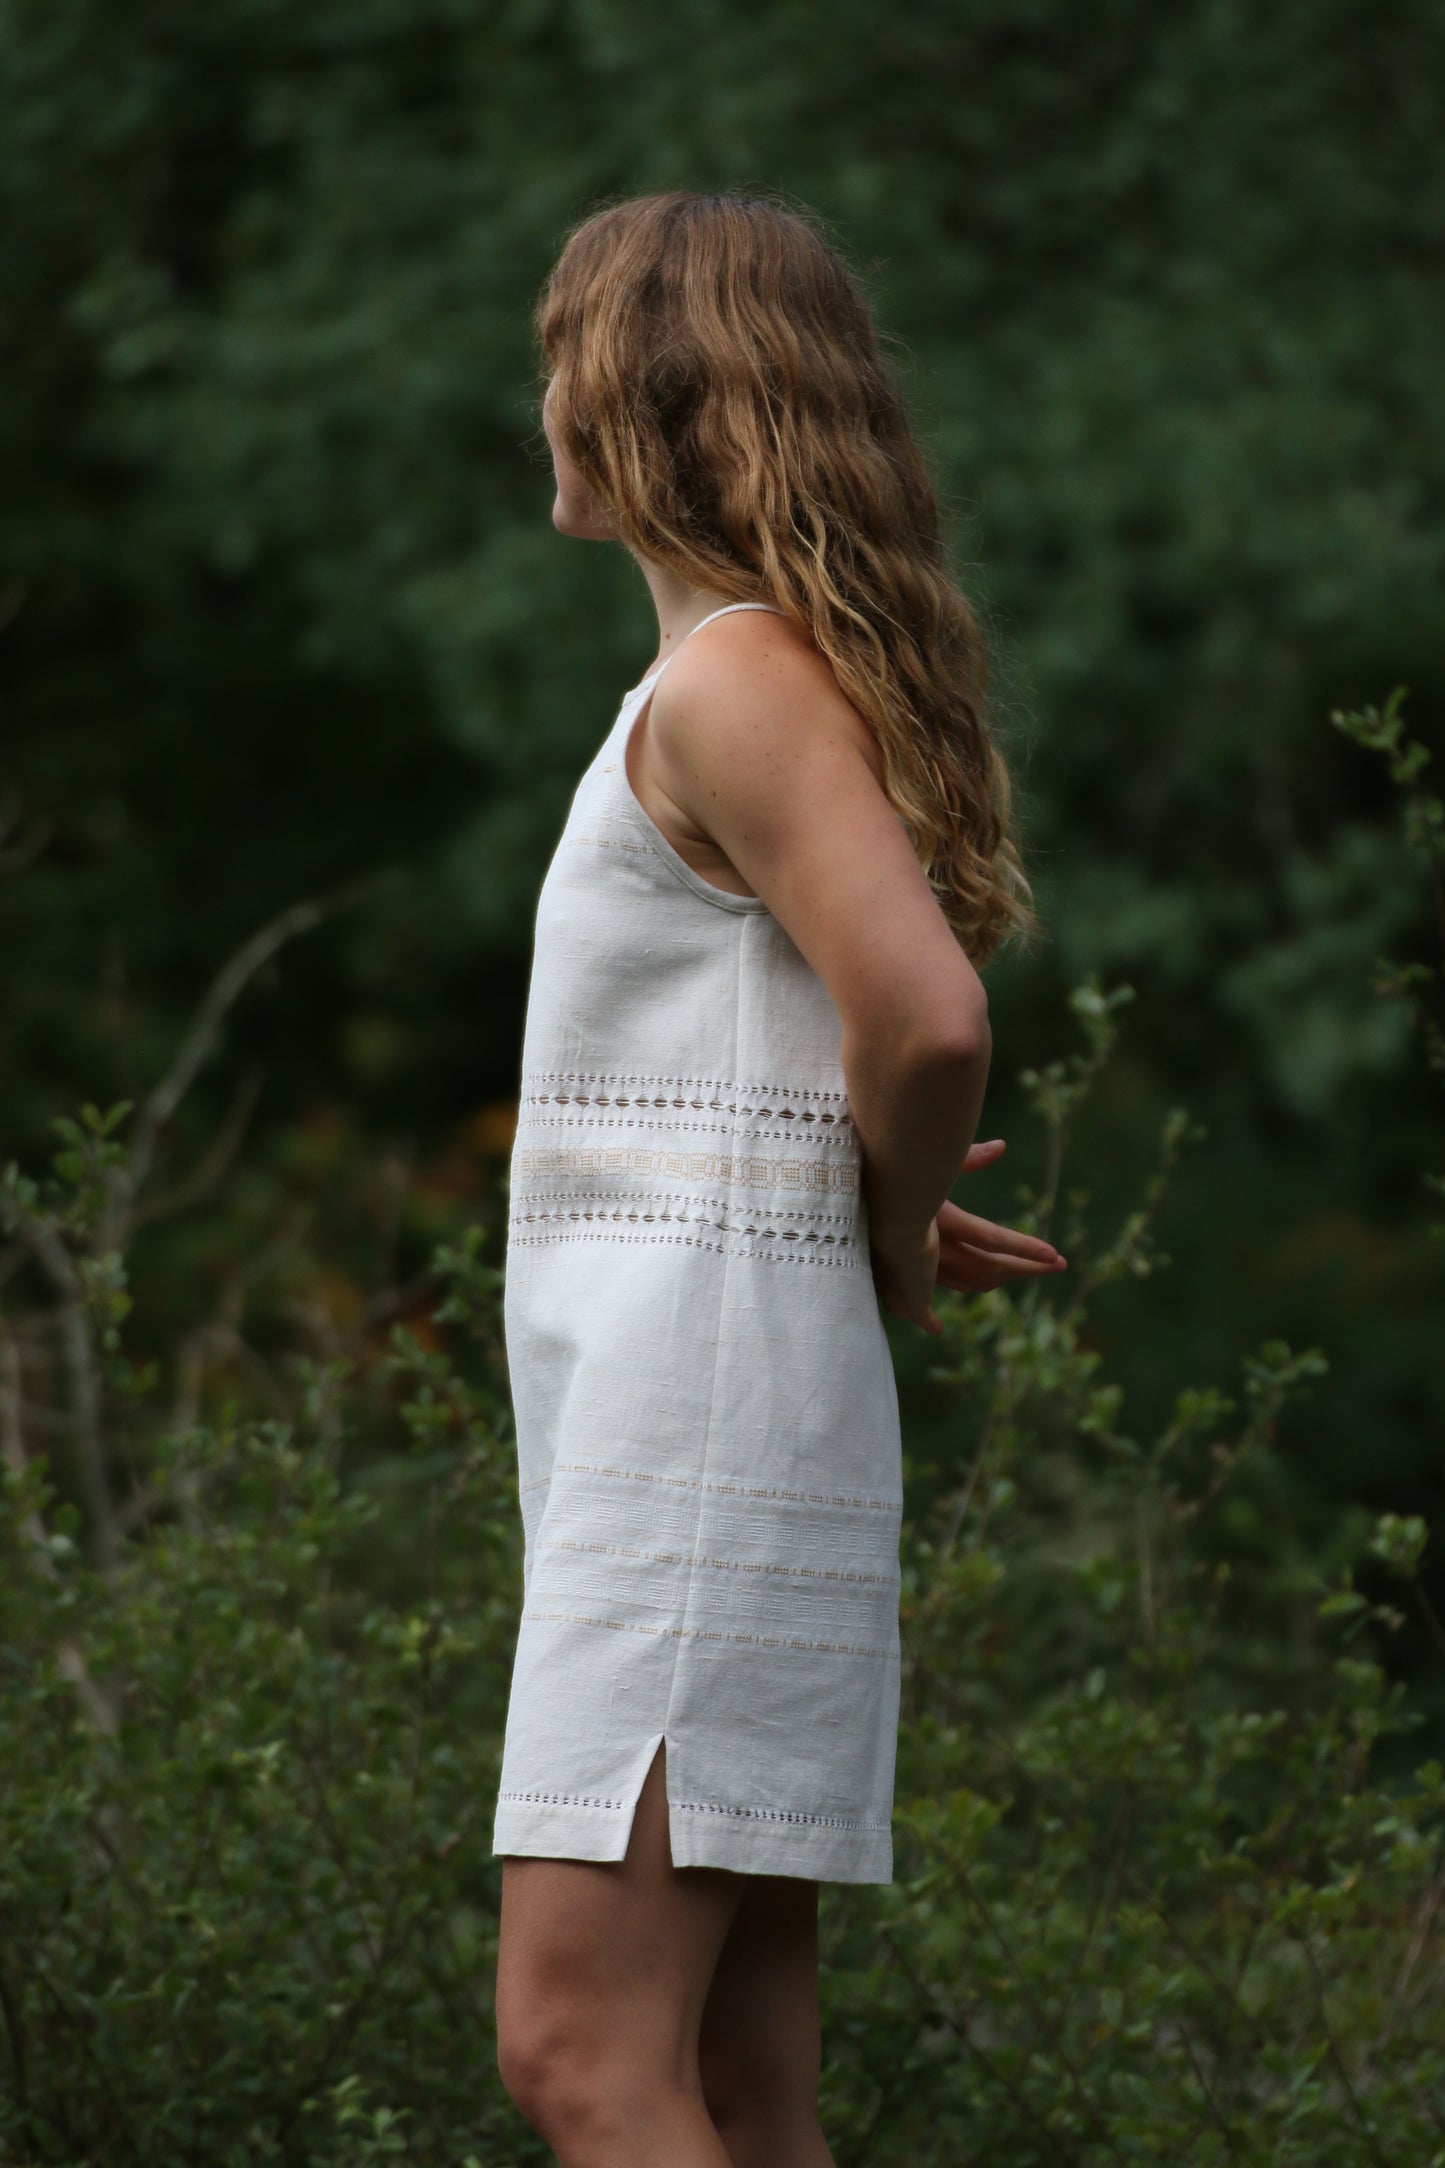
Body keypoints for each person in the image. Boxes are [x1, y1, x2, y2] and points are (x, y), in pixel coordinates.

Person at [492, 189, 1065, 2168]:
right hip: (710, 1414)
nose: (540, 397)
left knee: (579, 2052)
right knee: (739, 2086)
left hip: (697, 1421)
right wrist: (848, 1200)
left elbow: (927, 1022)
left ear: (636, 399)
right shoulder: (736, 686)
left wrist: (889, 1224)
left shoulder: (732, 685)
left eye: (563, 352)